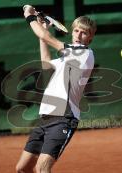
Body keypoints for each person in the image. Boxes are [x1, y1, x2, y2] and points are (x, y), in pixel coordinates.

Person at [16, 5, 97, 173]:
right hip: (45, 118)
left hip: (64, 118)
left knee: (42, 169)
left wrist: (29, 16)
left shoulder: (84, 54)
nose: (78, 35)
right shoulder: (66, 59)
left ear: (90, 38)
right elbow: (46, 63)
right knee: (22, 169)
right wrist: (43, 31)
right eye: (76, 31)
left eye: (84, 32)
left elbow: (45, 36)